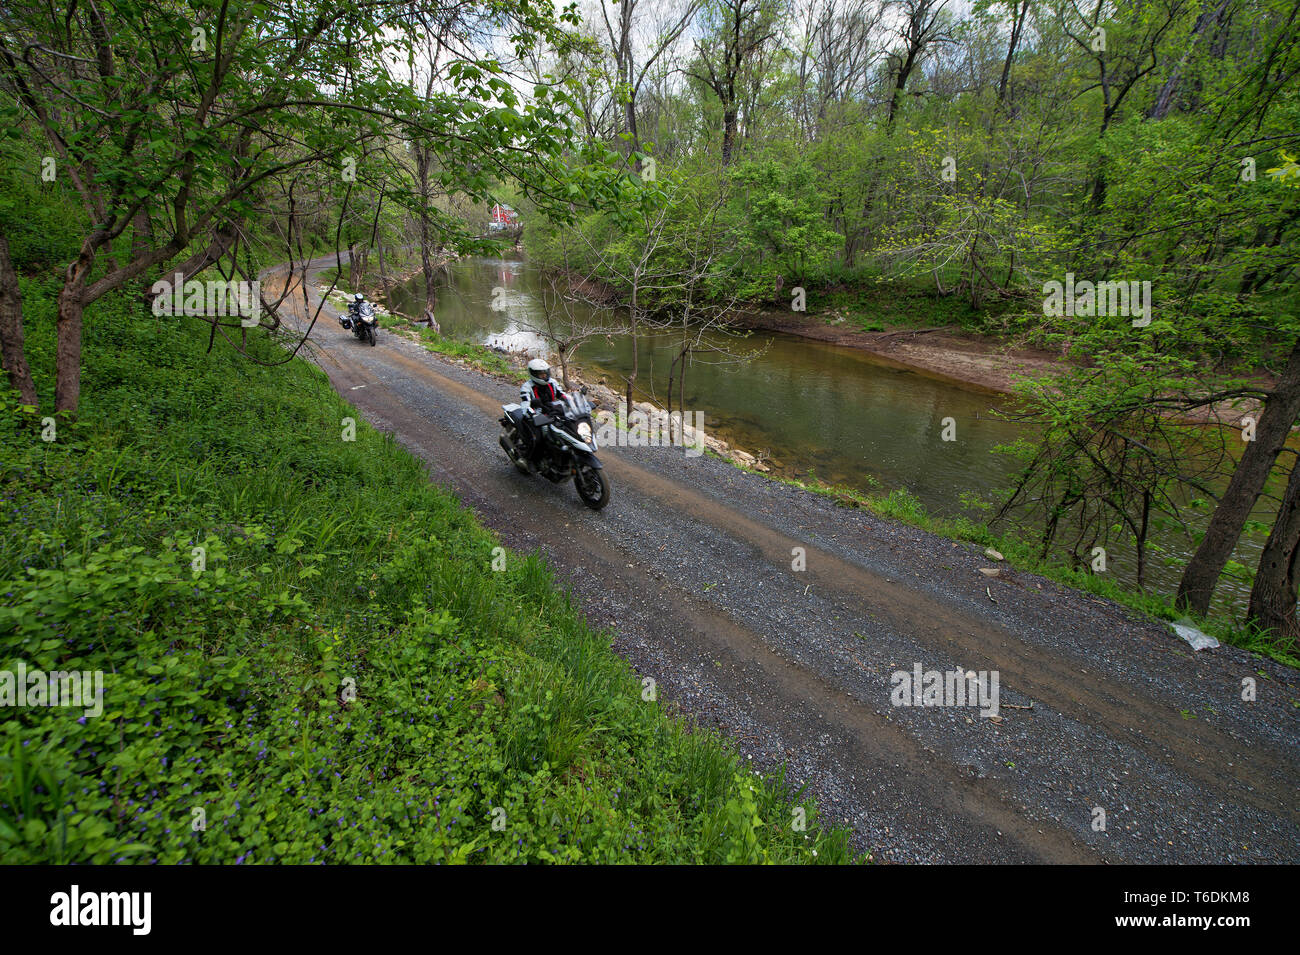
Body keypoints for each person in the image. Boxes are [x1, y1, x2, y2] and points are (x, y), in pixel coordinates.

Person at [518, 357, 567, 467]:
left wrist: (573, 401)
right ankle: (528, 460)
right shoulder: (527, 387)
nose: (544, 376)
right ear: (533, 374)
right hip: (536, 417)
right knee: (538, 440)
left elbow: (562, 394)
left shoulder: (552, 383)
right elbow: (525, 404)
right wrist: (532, 414)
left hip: (551, 413)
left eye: (545, 373)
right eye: (541, 374)